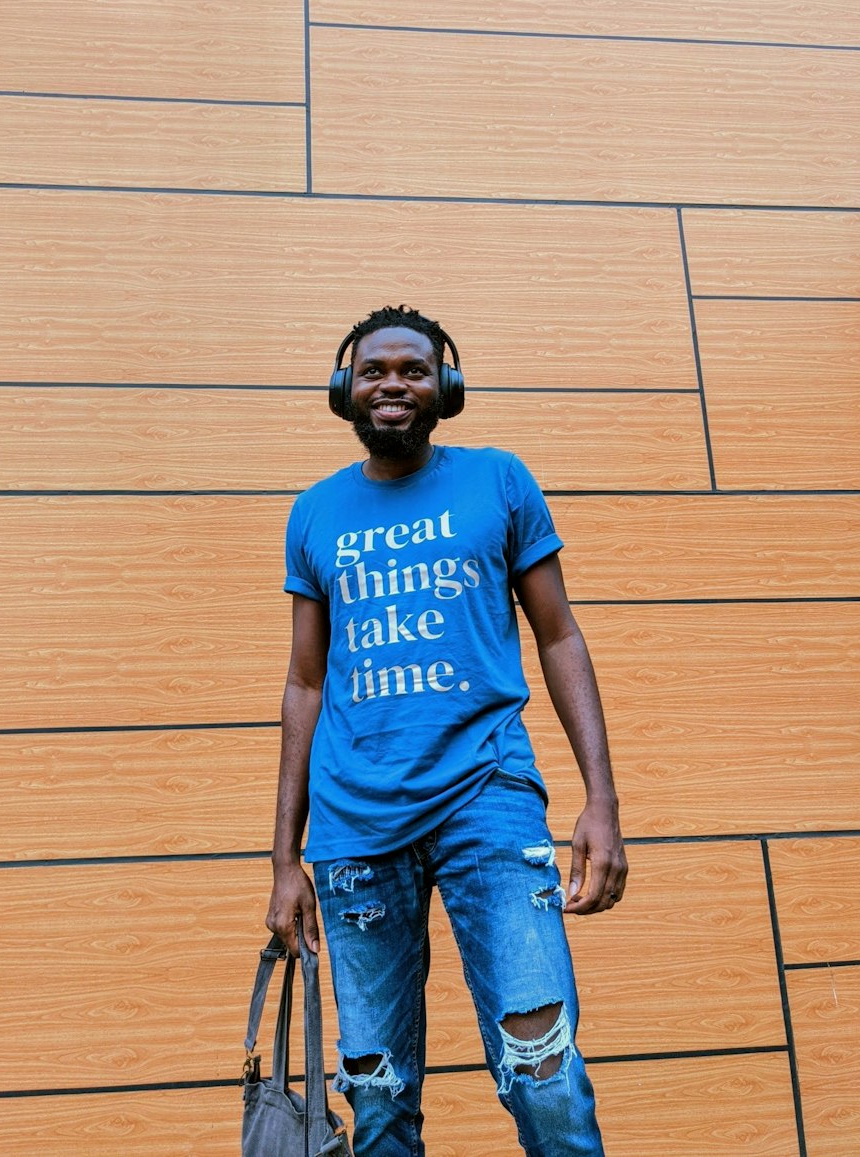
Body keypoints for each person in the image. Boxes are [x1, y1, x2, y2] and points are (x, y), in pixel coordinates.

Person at [266, 304, 627, 1156]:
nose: (393, 382)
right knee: (378, 1098)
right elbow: (304, 683)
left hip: (488, 802)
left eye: (414, 369)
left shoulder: (499, 481)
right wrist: (285, 858)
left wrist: (600, 800)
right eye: (375, 370)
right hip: (354, 831)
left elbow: (560, 635)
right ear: (345, 389)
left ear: (446, 387)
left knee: (543, 1074)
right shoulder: (313, 514)